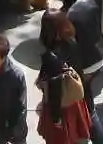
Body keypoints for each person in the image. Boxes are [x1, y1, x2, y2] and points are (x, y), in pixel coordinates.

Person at [51, 0, 103, 139]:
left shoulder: (64, 18)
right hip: (100, 56)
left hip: (86, 65)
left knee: (88, 106)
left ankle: (99, 139)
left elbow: (71, 51)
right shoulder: (90, 2)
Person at [37, 9, 97, 144]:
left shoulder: (50, 57)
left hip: (62, 108)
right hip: (76, 101)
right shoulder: (72, 43)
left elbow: (54, 89)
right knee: (81, 136)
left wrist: (55, 118)